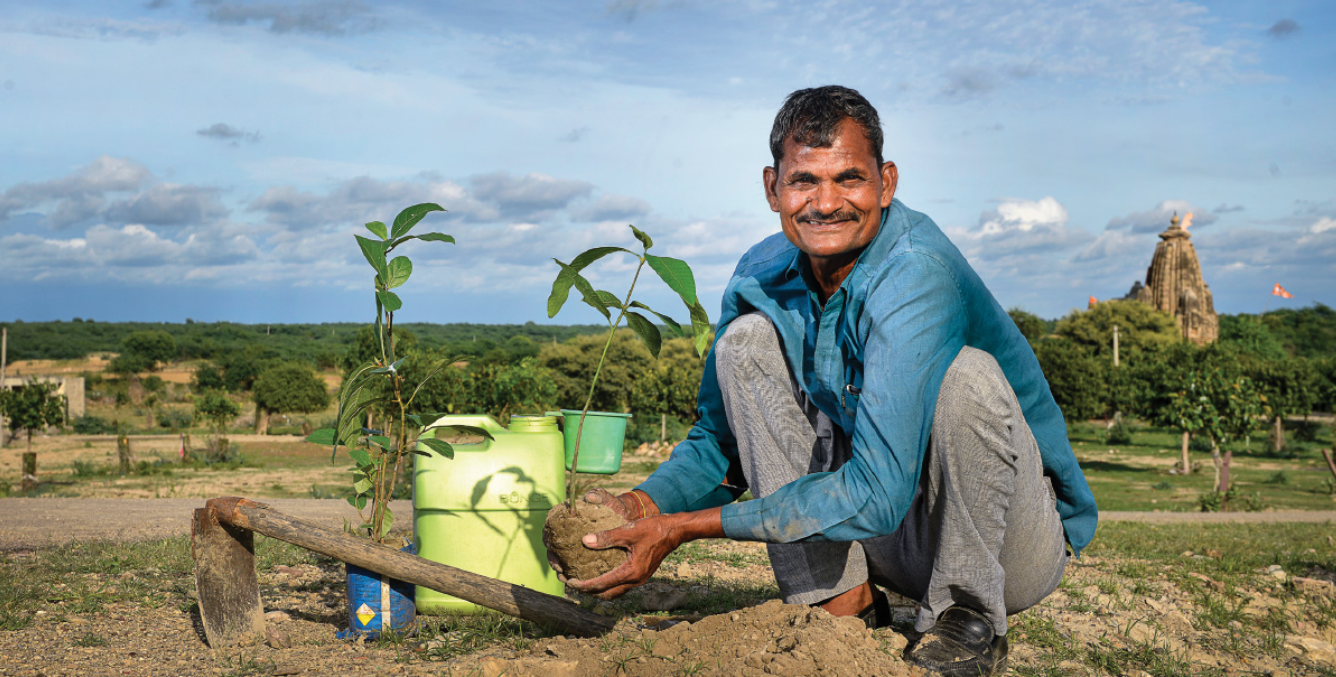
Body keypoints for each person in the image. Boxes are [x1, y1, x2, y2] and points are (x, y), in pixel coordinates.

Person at [556, 85, 1098, 677]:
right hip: (883, 542)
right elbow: (720, 443)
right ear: (773, 188)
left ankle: (967, 620)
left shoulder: (917, 274)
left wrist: (683, 529)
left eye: (849, 179)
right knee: (746, 343)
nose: (826, 203)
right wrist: (643, 505)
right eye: (804, 181)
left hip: (1004, 544)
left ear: (886, 183)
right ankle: (840, 604)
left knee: (966, 377)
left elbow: (879, 491)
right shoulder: (761, 273)